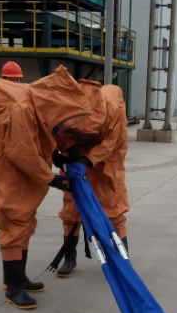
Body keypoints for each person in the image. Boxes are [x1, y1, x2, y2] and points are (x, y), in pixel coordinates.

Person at [0, 66, 90, 310]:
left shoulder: (34, 106)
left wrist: (63, 152)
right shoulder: (22, 109)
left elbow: (43, 134)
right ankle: (13, 287)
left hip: (23, 175)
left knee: (25, 224)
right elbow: (21, 151)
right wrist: (50, 178)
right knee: (14, 225)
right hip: (9, 174)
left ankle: (20, 278)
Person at [53, 80, 130, 277]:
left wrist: (88, 160)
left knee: (113, 208)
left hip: (107, 161)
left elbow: (111, 142)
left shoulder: (112, 110)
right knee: (71, 209)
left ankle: (122, 258)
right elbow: (55, 132)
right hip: (73, 154)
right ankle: (69, 258)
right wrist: (58, 152)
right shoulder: (67, 106)